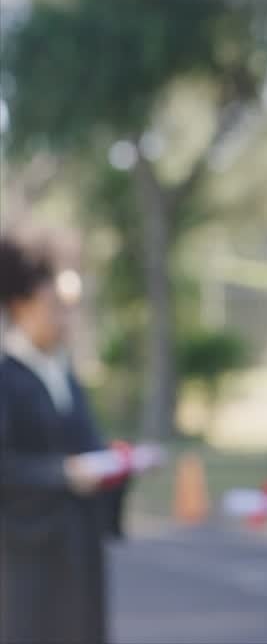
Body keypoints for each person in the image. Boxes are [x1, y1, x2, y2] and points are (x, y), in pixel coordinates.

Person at [0, 234, 128, 644]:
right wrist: (62, 473)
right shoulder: (6, 376)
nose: (66, 319)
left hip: (77, 545)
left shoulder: (66, 374)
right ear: (21, 307)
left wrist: (117, 462)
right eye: (56, 307)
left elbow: (87, 443)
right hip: (25, 553)